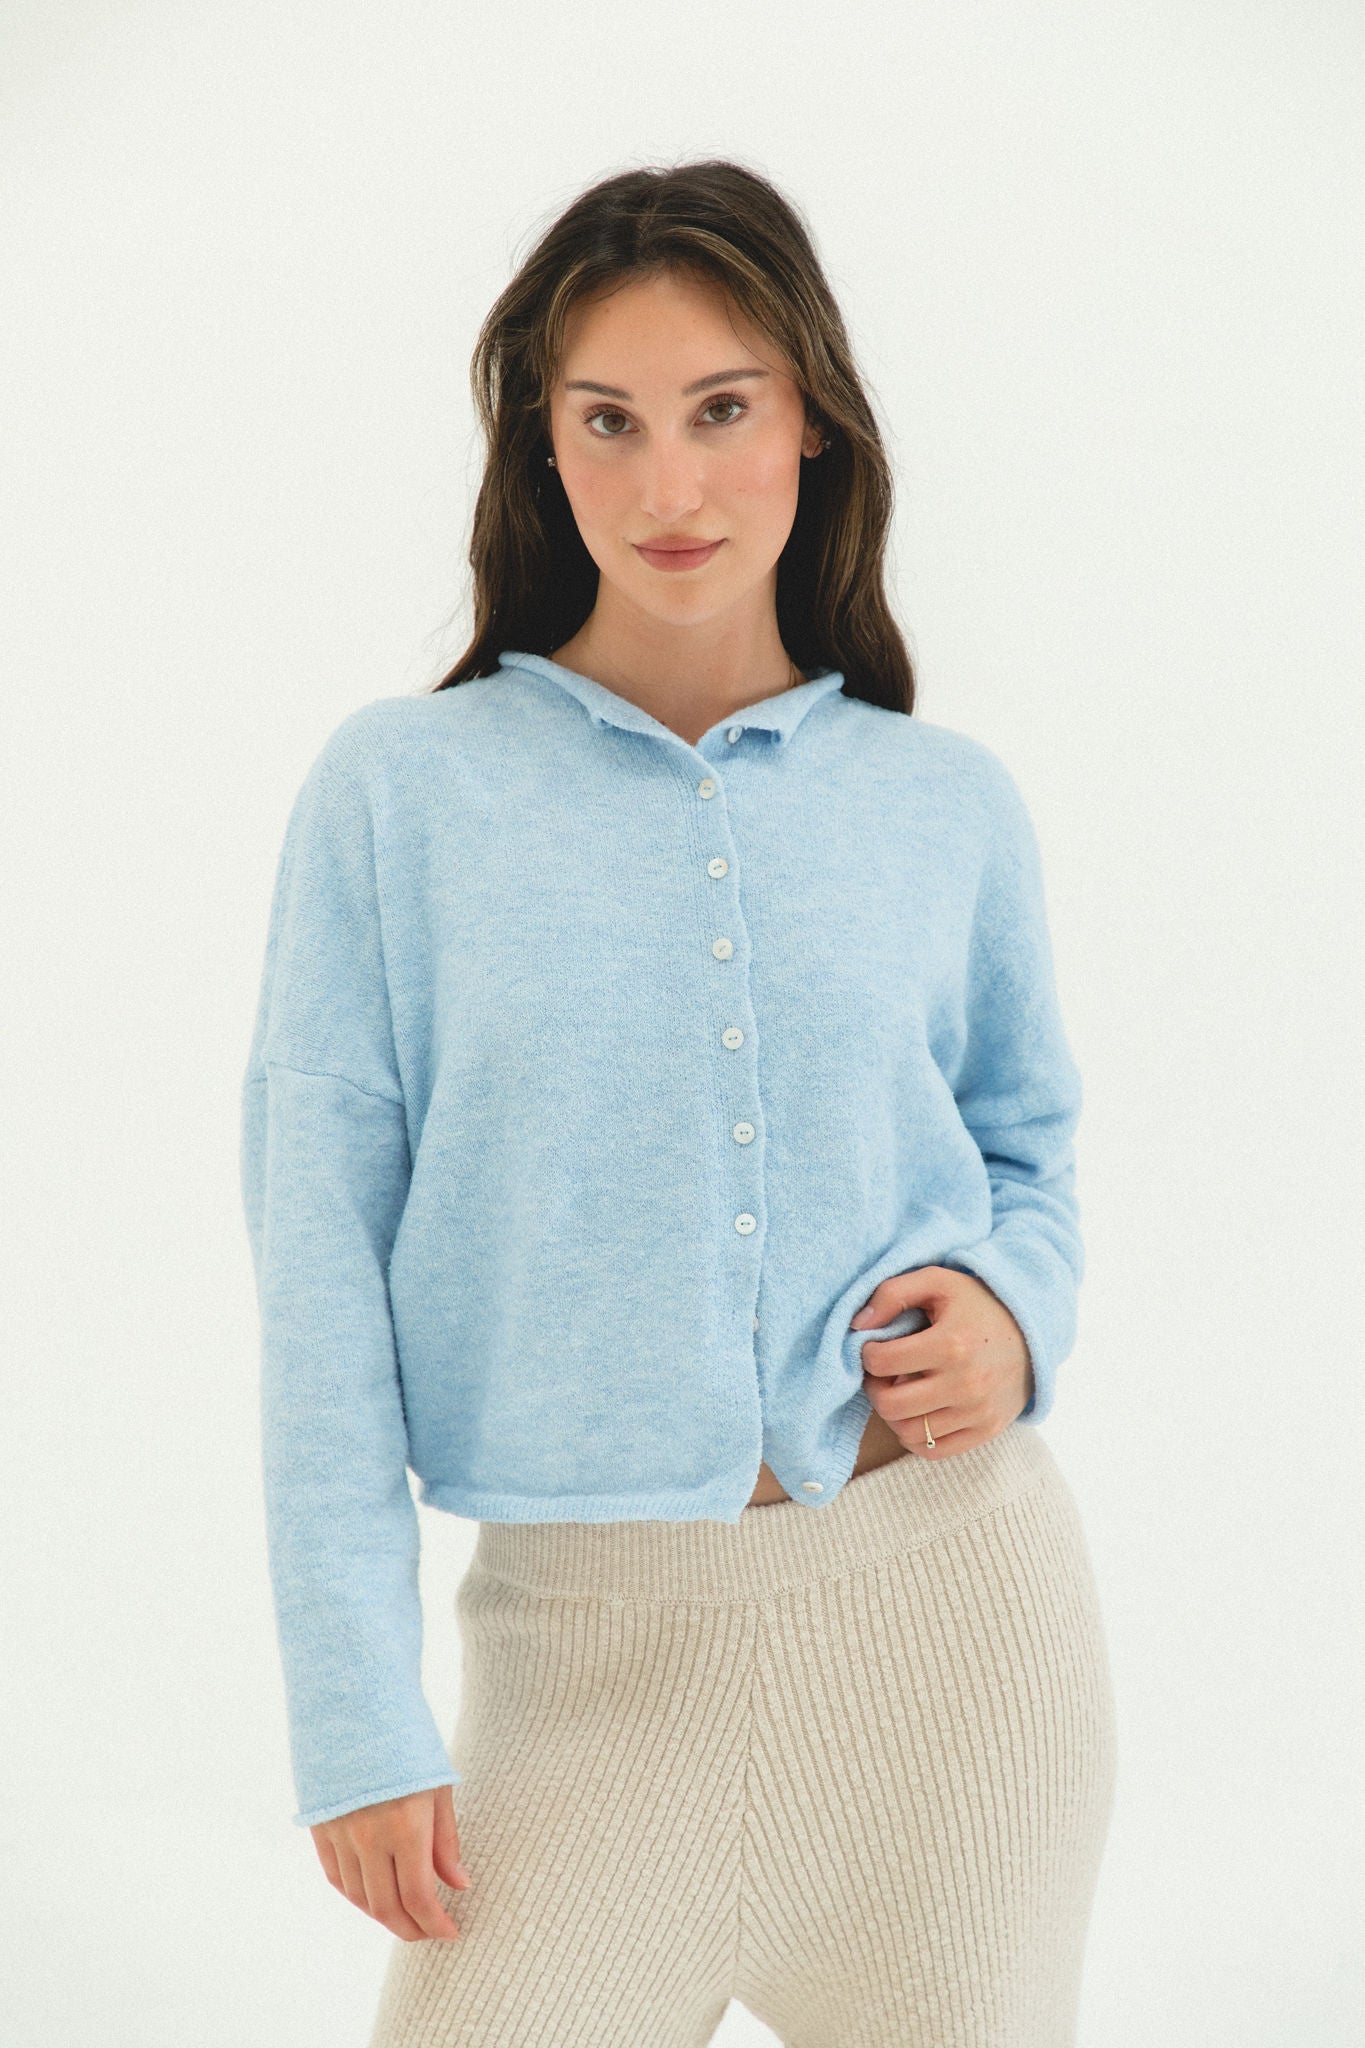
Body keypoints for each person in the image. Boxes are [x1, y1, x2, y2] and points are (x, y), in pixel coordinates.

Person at [240, 157, 1117, 2048]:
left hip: (952, 1644)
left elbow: (1028, 1152)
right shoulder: (401, 795)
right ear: (541, 447)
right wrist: (355, 1711)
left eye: (721, 410)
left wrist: (1014, 1314)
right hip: (579, 1677)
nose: (669, 488)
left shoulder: (943, 802)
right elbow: (318, 1278)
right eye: (608, 422)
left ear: (812, 422)